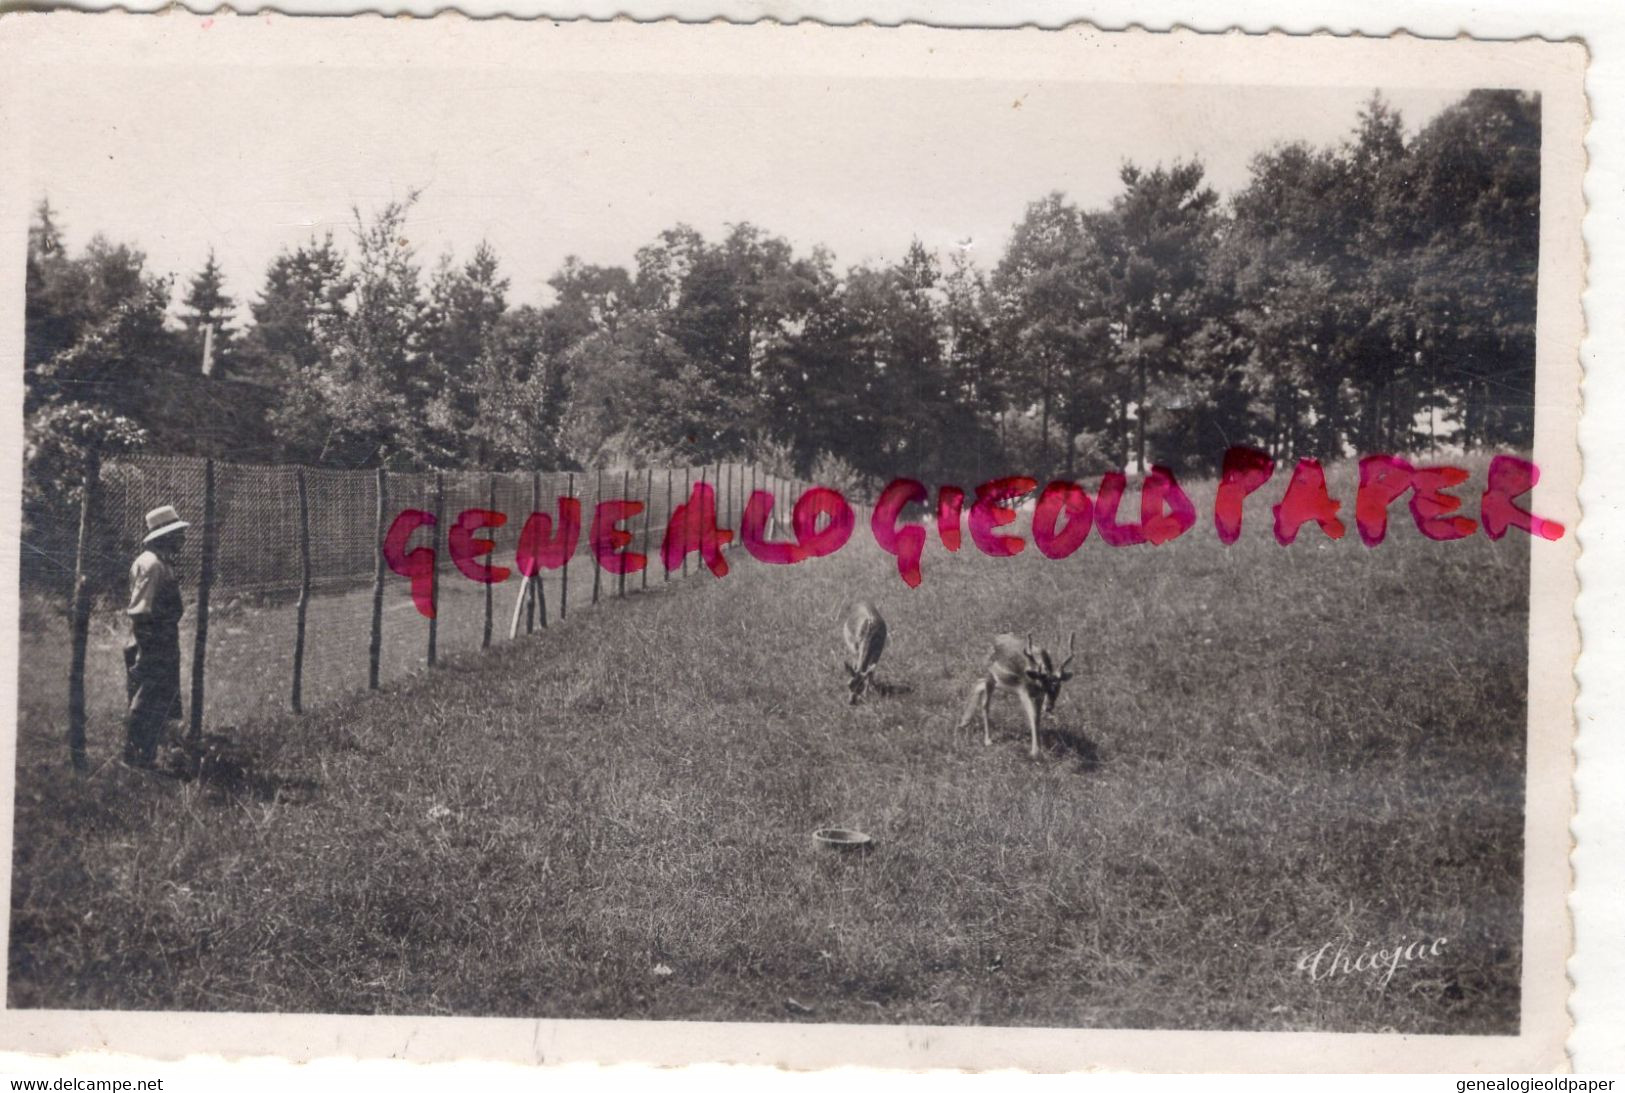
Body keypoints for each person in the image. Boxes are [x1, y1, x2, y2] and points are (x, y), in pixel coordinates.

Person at [123, 504, 189, 768]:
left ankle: (150, 753)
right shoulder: (152, 565)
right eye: (178, 534)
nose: (183, 539)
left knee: (161, 698)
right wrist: (150, 649)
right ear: (165, 536)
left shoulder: (162, 563)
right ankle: (133, 755)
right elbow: (140, 611)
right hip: (151, 639)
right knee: (147, 696)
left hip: (162, 638)